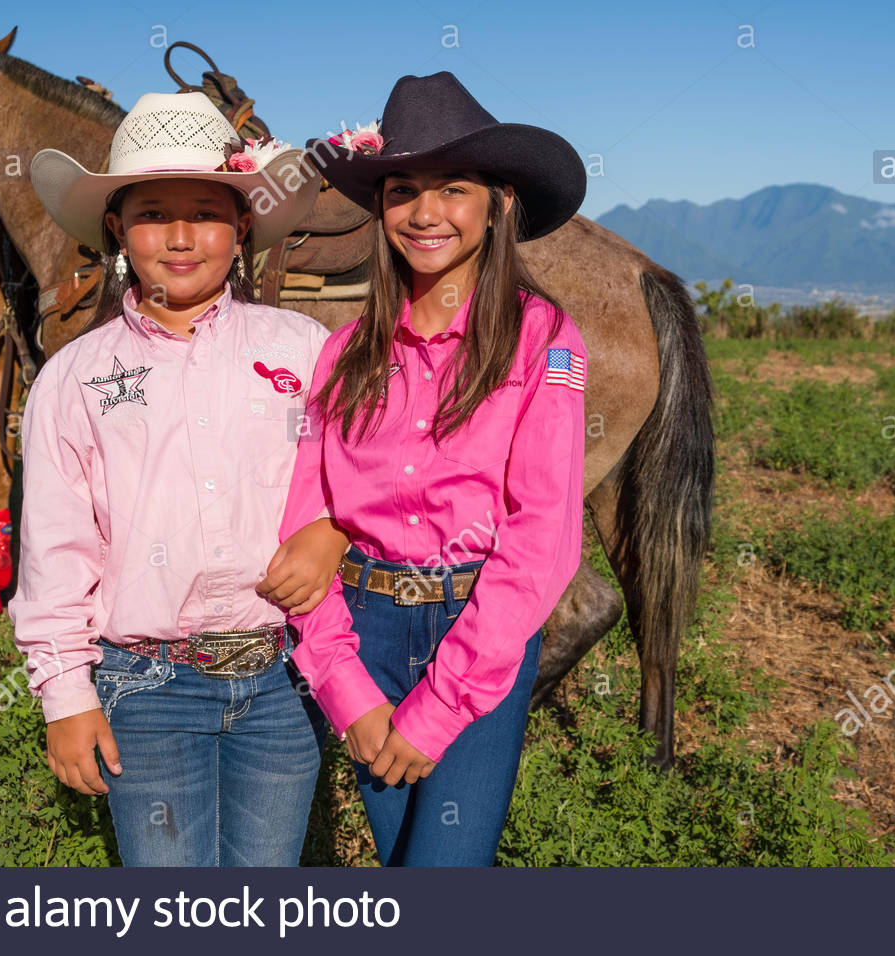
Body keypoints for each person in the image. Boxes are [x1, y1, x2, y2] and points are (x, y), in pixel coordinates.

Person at [9, 91, 349, 866]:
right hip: (146, 685)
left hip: (282, 682)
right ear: (118, 230)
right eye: (155, 212)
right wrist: (66, 696)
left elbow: (353, 475)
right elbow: (55, 549)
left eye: (207, 211)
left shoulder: (304, 350)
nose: (183, 236)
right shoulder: (75, 379)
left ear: (243, 229)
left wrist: (331, 529)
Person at [280, 71, 588, 866]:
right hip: (365, 631)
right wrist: (348, 694)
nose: (425, 214)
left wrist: (439, 708)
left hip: (480, 628)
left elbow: (540, 540)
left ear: (500, 203)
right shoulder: (344, 356)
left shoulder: (543, 341)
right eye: (403, 189)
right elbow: (302, 526)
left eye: (453, 188)